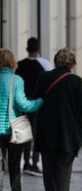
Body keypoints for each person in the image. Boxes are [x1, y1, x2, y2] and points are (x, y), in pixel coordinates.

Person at [34, 48, 82, 191]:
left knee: (48, 166)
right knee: (64, 167)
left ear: (55, 61)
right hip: (68, 132)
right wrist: (81, 129)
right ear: (72, 63)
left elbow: (36, 101)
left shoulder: (43, 77)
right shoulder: (76, 81)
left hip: (46, 129)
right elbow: (81, 110)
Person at [0, 48, 43, 191]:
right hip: (13, 130)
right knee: (14, 164)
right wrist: (40, 101)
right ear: (12, 62)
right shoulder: (16, 80)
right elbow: (23, 105)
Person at [15, 37, 53, 177]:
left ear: (27, 48)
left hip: (22, 104)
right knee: (37, 135)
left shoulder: (19, 65)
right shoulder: (44, 65)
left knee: (24, 135)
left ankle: (25, 162)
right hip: (38, 105)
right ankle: (35, 163)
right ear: (38, 48)